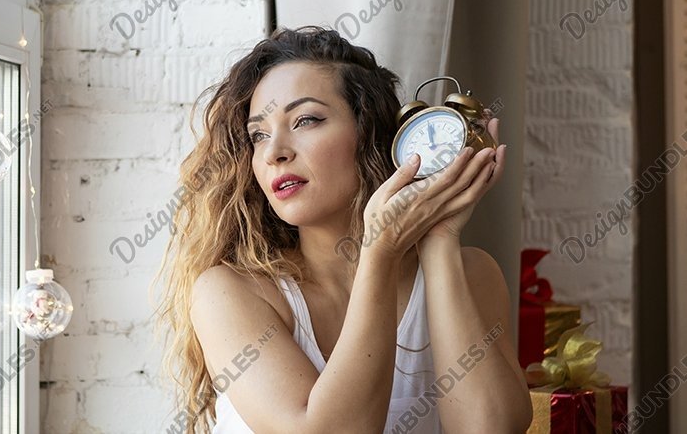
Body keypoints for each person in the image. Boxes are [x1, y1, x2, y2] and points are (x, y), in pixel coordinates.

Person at [154, 25, 533, 433]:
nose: (274, 152)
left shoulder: (472, 275)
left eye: (306, 120)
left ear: (372, 135)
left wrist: (439, 238)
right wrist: (379, 250)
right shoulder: (230, 292)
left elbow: (491, 429)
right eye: (258, 134)